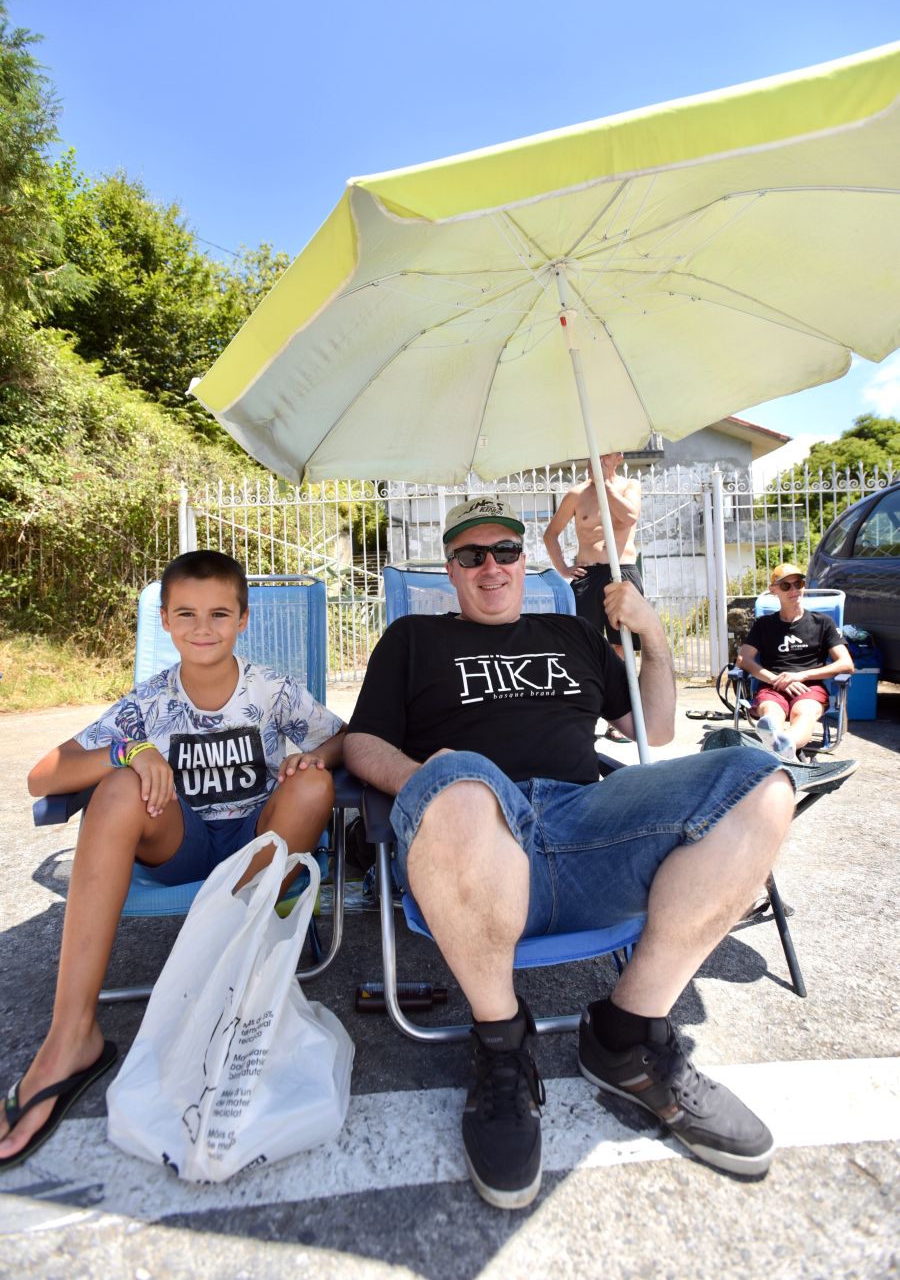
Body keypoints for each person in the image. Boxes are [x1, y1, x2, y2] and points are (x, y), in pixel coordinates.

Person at [344, 496, 854, 1211]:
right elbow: (360, 743)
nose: (491, 568)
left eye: (506, 553)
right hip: (476, 832)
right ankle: (499, 1045)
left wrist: (653, 638)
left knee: (761, 785)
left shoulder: (572, 633)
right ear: (451, 570)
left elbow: (656, 724)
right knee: (461, 781)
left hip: (584, 817)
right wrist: (435, 779)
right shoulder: (413, 639)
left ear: (527, 562)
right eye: (471, 555)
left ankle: (628, 1035)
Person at [1, 550, 346, 1169]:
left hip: (255, 850)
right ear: (165, 620)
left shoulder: (271, 690)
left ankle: (232, 988)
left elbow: (339, 735)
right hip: (180, 845)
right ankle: (70, 1036)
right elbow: (40, 776)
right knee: (116, 789)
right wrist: (129, 753)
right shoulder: (150, 703)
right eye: (185, 614)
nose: (203, 627)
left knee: (317, 785)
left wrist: (308, 758)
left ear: (244, 619)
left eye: (219, 613)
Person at [542, 453, 643, 741]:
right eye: (593, 454)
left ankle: (621, 717)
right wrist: (563, 568)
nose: (597, 458)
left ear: (618, 457)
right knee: (579, 644)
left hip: (621, 570)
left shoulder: (629, 487)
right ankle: (581, 712)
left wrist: (605, 485)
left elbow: (630, 516)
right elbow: (551, 534)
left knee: (621, 647)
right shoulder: (576, 494)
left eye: (605, 454)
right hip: (588, 573)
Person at [736, 562, 854, 761]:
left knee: (803, 713)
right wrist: (775, 679)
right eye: (785, 586)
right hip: (772, 685)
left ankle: (785, 744)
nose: (793, 590)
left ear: (803, 586)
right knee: (771, 713)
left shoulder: (822, 622)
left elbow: (846, 664)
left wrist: (801, 675)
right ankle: (781, 745)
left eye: (798, 583)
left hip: (809, 687)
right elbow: (743, 659)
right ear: (773, 590)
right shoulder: (764, 625)